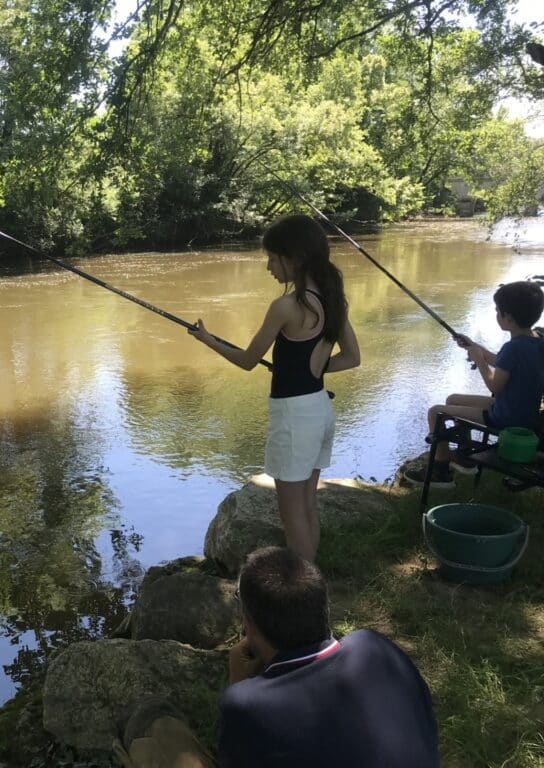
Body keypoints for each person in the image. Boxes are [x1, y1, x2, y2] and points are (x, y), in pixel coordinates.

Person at [113, 547, 439, 768]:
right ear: (322, 606)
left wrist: (239, 686)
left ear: (248, 625)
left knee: (157, 733)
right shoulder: (376, 648)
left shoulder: (248, 706)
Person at [189, 215, 360, 562]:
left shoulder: (285, 307)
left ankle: (302, 588)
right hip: (320, 410)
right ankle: (312, 579)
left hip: (295, 418)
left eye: (272, 257)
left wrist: (207, 340)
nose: (268, 266)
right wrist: (310, 368)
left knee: (291, 511)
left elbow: (248, 360)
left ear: (295, 258)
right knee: (307, 504)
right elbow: (352, 358)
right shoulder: (333, 301)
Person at [403, 280, 544, 489]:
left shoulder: (513, 347)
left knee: (435, 412)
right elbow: (502, 363)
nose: (496, 315)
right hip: (523, 410)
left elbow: (495, 387)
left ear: (509, 318)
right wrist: (474, 346)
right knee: (453, 400)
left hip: (505, 416)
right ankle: (464, 457)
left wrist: (479, 360)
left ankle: (441, 472)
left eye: (498, 311)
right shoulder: (536, 340)